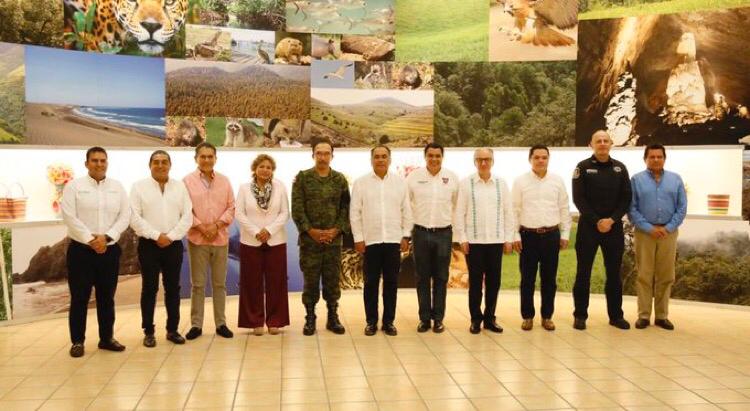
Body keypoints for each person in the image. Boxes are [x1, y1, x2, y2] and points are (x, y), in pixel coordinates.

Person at [61, 146, 130, 357]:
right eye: (94, 160)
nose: (99, 164)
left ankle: (106, 338)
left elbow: (125, 216)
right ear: (86, 163)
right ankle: (77, 341)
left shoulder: (117, 187)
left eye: (102, 160)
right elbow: (69, 217)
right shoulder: (74, 187)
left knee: (106, 297)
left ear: (107, 163)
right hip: (81, 251)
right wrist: (91, 239)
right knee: (80, 297)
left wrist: (107, 237)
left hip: (109, 250)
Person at [130, 150, 192, 347]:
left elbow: (187, 215)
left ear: (170, 165)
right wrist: (157, 236)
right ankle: (148, 331)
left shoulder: (179, 187)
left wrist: (171, 236)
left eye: (164, 162)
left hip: (173, 245)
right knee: (149, 288)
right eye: (156, 162)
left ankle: (172, 330)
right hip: (149, 244)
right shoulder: (138, 187)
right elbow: (134, 217)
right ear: (150, 165)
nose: (160, 165)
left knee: (173, 289)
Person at [572, 130, 632, 330]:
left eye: (606, 141)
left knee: (614, 274)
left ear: (611, 143)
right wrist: (597, 220)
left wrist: (612, 220)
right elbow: (579, 199)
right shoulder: (582, 167)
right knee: (583, 273)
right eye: (598, 141)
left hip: (613, 228)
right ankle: (580, 315)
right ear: (591, 144)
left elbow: (626, 199)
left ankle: (616, 316)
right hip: (588, 228)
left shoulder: (620, 169)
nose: (603, 144)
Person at [350, 145, 412, 336]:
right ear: (371, 160)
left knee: (391, 283)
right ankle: (371, 322)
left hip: (393, 240)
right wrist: (359, 238)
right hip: (371, 241)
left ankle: (389, 322)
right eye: (377, 157)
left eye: (384, 156)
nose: (380, 160)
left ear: (390, 159)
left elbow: (407, 211)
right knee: (370, 283)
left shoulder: (400, 183)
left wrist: (405, 235)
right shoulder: (361, 183)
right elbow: (355, 213)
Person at [292, 140, 350, 336]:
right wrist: (311, 231)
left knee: (332, 281)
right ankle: (310, 318)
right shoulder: (303, 178)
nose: (323, 157)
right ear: (313, 155)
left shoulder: (340, 180)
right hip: (310, 242)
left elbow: (346, 209)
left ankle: (332, 317)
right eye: (319, 153)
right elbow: (297, 209)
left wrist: (336, 230)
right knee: (310, 281)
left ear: (332, 156)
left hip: (334, 242)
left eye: (326, 153)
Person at [512, 144, 572, 332]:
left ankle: (547, 316)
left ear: (548, 159)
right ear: (530, 159)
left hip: (551, 236)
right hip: (528, 236)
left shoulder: (557, 180)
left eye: (544, 157)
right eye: (536, 157)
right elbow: (514, 210)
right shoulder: (520, 181)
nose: (540, 160)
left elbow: (564, 208)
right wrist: (514, 235)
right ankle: (527, 316)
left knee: (549, 279)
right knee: (527, 279)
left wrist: (565, 234)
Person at [455, 148, 513, 334]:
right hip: (474, 242)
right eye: (479, 160)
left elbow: (508, 213)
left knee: (494, 283)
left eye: (487, 159)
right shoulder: (466, 184)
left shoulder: (501, 184)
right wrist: (462, 238)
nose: (483, 163)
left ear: (493, 161)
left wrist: (508, 238)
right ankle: (475, 319)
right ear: (474, 162)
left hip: (495, 242)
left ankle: (490, 318)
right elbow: (459, 214)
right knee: (476, 283)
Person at [628, 144, 687, 330]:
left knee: (666, 275)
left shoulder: (675, 180)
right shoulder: (636, 180)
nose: (655, 160)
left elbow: (682, 208)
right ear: (645, 159)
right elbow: (631, 208)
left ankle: (662, 316)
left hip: (668, 234)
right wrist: (648, 227)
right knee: (644, 274)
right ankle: (643, 315)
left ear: (664, 158)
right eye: (652, 156)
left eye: (659, 156)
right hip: (645, 233)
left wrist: (668, 227)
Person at [183, 142, 235, 340]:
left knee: (219, 284)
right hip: (197, 239)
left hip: (220, 238)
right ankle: (196, 325)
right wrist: (202, 227)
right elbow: (184, 210)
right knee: (197, 284)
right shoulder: (186, 182)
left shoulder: (225, 181)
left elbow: (231, 207)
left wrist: (216, 226)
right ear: (196, 159)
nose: (206, 160)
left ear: (215, 159)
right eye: (202, 156)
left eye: (210, 156)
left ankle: (221, 324)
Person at [406, 142, 459, 333]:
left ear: (442, 157)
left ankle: (438, 319)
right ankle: (424, 319)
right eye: (431, 155)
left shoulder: (451, 178)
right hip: (420, 233)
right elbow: (406, 204)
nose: (434, 159)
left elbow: (456, 206)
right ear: (425, 156)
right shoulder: (413, 177)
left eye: (437, 155)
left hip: (443, 234)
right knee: (422, 278)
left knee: (441, 277)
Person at [235, 154, 290, 336]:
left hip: (275, 240)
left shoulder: (280, 187)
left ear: (272, 170)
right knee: (251, 282)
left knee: (277, 282)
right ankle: (255, 321)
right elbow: (240, 213)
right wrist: (257, 231)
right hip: (251, 241)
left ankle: (275, 321)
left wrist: (269, 231)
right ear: (255, 169)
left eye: (269, 167)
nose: (265, 170)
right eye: (262, 166)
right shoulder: (243, 189)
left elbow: (284, 213)